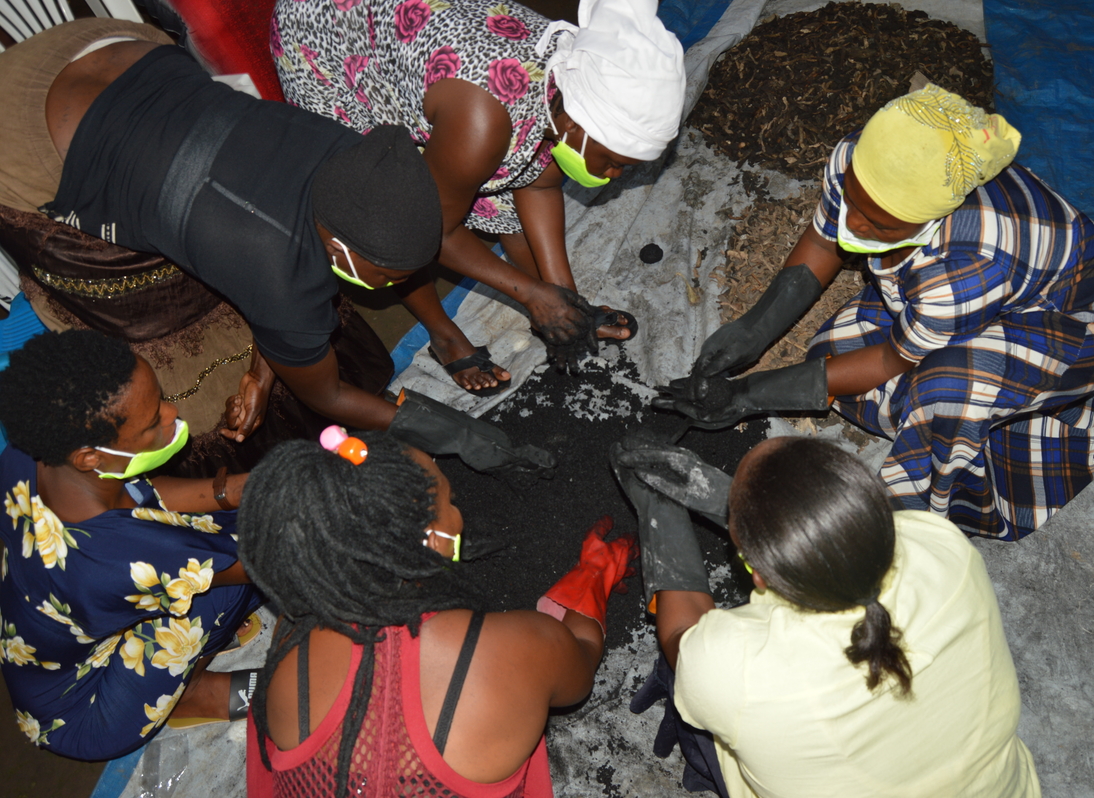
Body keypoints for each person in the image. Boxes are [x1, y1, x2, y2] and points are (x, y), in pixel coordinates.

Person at [0, 19, 551, 478]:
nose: (392, 288)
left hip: (114, 49)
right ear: (337, 246)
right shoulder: (278, 275)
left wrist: (263, 373)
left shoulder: (350, 153)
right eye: (386, 276)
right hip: (23, 122)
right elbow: (327, 395)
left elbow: (280, 275)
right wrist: (456, 431)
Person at [655, 84, 1094, 541]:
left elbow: (892, 359)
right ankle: (970, 399)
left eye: (879, 225)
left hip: (1082, 321)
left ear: (928, 219)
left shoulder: (966, 269)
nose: (853, 223)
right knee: (830, 355)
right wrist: (753, 329)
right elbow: (825, 240)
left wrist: (747, 393)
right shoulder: (866, 158)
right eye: (852, 201)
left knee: (948, 390)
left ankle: (975, 473)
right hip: (974, 295)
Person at [272, 0, 686, 388]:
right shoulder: (482, 125)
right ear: (577, 126)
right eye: (613, 162)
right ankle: (444, 335)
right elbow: (432, 232)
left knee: (502, 189)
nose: (614, 176)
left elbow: (537, 182)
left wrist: (566, 301)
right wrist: (528, 294)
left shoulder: (566, 86)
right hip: (335, 35)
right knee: (392, 225)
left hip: (421, 49)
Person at [612, 434, 1042, 798]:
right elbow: (837, 538)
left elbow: (682, 639)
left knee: (686, 687)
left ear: (758, 574)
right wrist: (763, 511)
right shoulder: (943, 548)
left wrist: (660, 512)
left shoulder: (740, 671)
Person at [238, 431, 635, 797]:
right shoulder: (518, 647)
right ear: (433, 538)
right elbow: (580, 663)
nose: (459, 516)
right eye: (451, 502)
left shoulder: (293, 635)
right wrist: (592, 578)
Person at [0, 330, 261, 760]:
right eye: (152, 420)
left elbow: (138, 495)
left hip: (41, 666)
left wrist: (235, 490)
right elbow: (263, 558)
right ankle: (190, 692)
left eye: (159, 400)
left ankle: (177, 657)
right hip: (86, 712)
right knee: (237, 565)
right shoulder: (119, 562)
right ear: (91, 456)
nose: (172, 412)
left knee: (223, 525)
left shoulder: (29, 455)